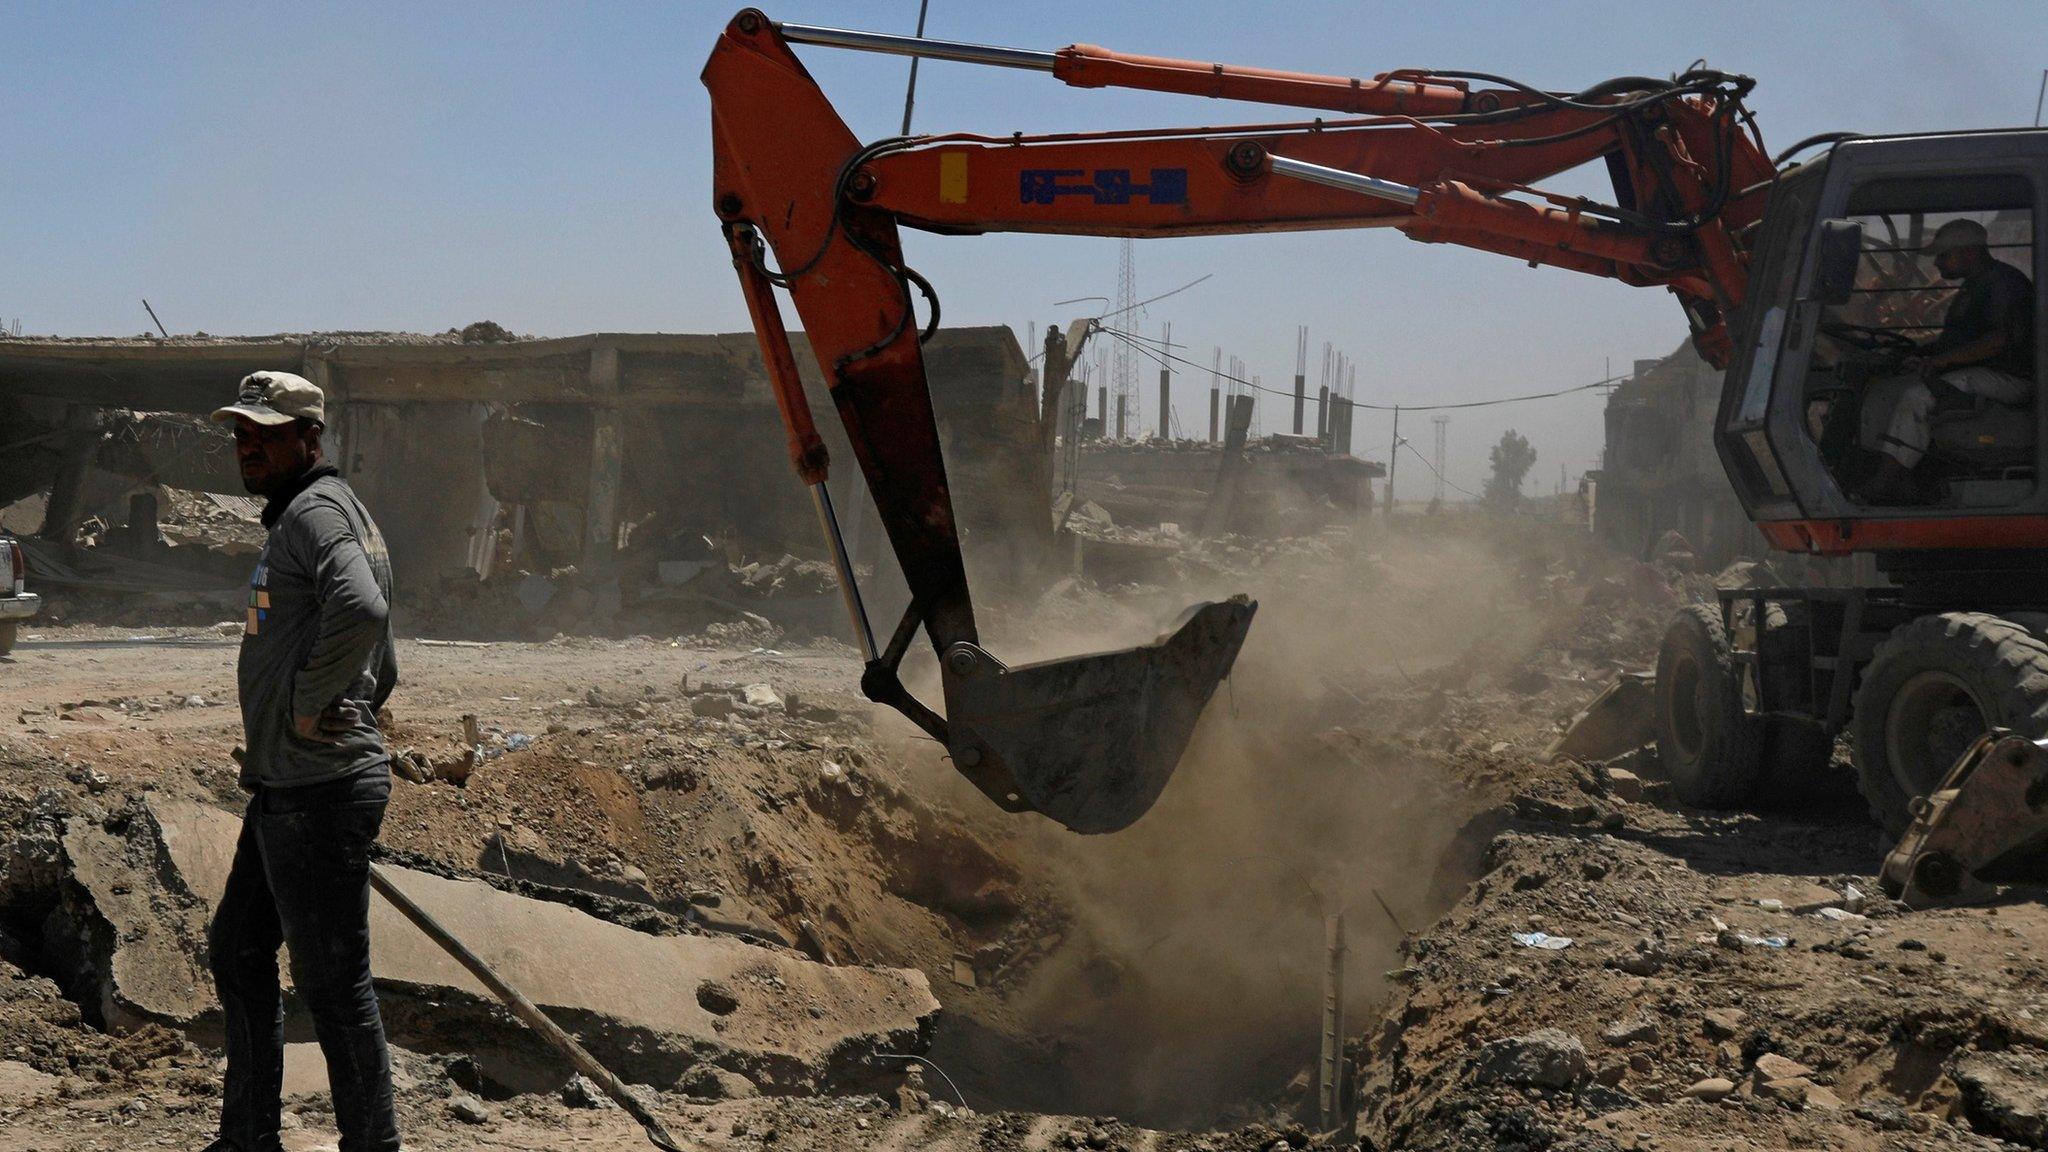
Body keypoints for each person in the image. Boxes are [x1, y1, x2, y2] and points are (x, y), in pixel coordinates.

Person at [203, 370, 401, 1152]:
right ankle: (249, 1137)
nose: (248, 444)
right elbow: (381, 651)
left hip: (318, 788)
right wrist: (347, 699)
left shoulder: (317, 514)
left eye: (267, 431)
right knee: (240, 948)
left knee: (334, 987)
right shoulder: (319, 516)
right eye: (241, 432)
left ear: (310, 438)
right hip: (289, 783)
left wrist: (314, 705)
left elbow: (364, 609)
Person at [1862, 217, 2036, 504]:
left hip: (2009, 377)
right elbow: (1955, 340)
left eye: (1945, 256)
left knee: (1918, 397)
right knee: (1885, 391)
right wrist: (1916, 354)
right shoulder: (1974, 286)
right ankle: (1904, 476)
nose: (1938, 264)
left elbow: (1999, 340)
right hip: (1979, 371)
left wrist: (1943, 361)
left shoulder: (2004, 283)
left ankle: (1887, 481)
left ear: (1969, 252)